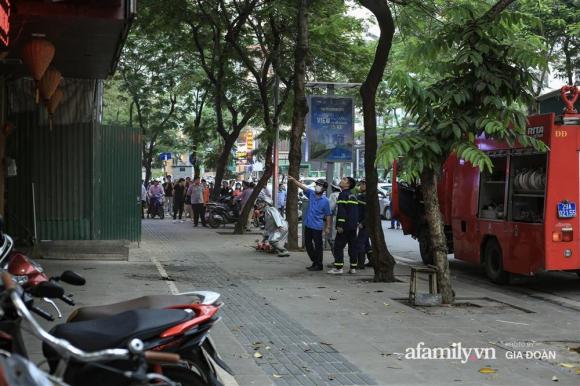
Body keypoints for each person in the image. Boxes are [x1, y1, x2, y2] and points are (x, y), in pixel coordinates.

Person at [288, 176, 332, 271]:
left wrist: (328, 227)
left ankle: (318, 264)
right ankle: (315, 261)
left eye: (320, 185)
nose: (317, 187)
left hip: (317, 227)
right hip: (308, 225)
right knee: (308, 245)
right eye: (317, 185)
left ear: (324, 188)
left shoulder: (325, 201)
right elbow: (303, 187)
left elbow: (328, 215)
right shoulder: (311, 194)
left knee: (318, 246)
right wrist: (294, 180)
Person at [329, 176, 359, 274]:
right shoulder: (353, 196)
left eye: (344, 180)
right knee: (352, 247)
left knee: (338, 247)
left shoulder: (342, 195)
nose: (341, 180)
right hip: (353, 227)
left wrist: (340, 225)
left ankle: (338, 268)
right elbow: (355, 213)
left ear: (348, 184)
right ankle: (353, 268)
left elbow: (342, 211)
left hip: (344, 226)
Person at [355, 179, 373, 269]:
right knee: (366, 243)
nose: (361, 186)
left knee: (360, 243)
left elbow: (369, 213)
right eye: (361, 184)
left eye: (363, 184)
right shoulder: (361, 196)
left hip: (366, 224)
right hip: (364, 223)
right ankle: (372, 261)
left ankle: (360, 264)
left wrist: (363, 223)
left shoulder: (367, 197)